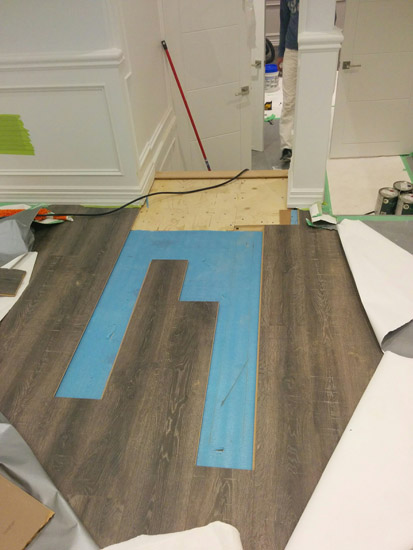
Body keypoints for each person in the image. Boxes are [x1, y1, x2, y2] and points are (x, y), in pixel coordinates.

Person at [277, 0, 299, 164]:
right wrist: (281, 53)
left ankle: (307, 141)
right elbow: (284, 21)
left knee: (310, 99)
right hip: (291, 50)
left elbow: (330, 17)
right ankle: (287, 147)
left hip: (313, 49)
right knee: (289, 100)